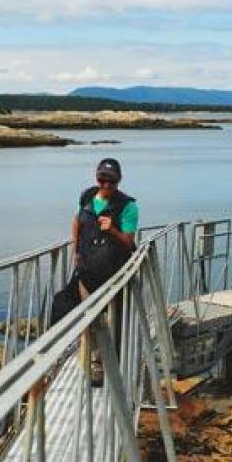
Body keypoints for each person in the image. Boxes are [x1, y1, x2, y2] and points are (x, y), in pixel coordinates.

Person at [50, 158, 138, 383]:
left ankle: (114, 366)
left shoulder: (128, 206)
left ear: (119, 180)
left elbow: (129, 242)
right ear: (96, 178)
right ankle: (93, 368)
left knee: (114, 322)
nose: (106, 185)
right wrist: (75, 248)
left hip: (116, 276)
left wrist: (113, 230)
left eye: (112, 181)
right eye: (103, 179)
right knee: (88, 318)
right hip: (88, 273)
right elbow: (77, 221)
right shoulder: (87, 198)